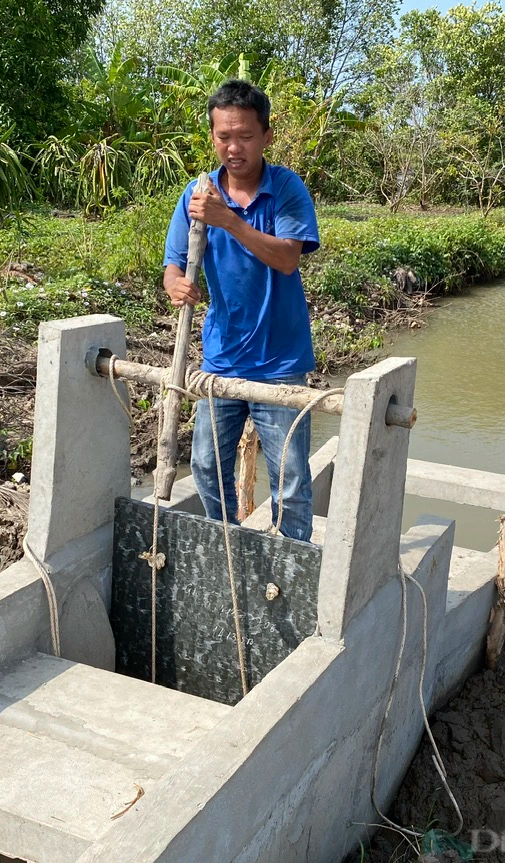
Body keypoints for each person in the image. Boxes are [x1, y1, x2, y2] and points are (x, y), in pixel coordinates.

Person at [163, 79, 320, 542]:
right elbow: (173, 267)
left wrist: (228, 220)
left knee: (289, 482)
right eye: (223, 136)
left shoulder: (287, 189)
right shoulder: (197, 195)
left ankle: (292, 560)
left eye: (245, 136)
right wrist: (177, 286)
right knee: (207, 466)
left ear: (266, 136)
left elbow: (288, 258)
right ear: (212, 137)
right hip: (222, 358)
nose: (234, 147)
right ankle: (230, 548)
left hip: (279, 363)